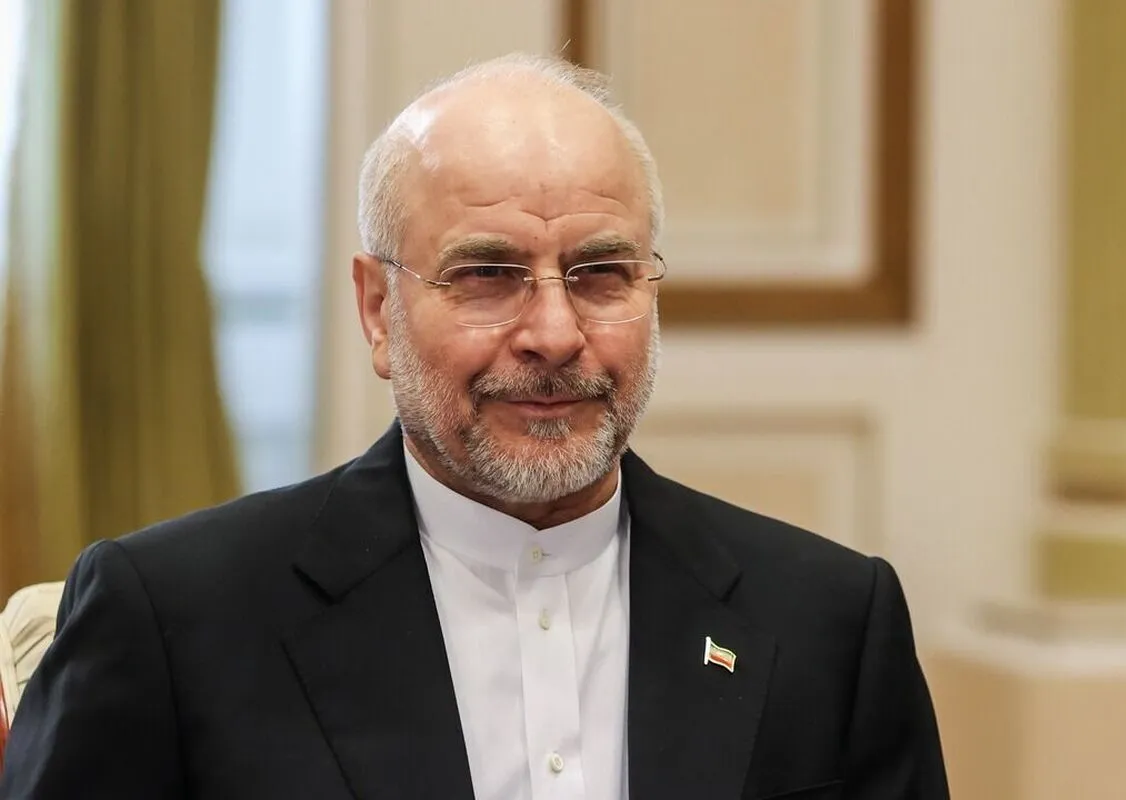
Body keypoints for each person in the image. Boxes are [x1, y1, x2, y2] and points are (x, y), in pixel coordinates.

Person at [0, 53, 948, 799]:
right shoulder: (174, 620)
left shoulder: (829, 623)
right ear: (378, 310)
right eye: (487, 275)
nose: (554, 333)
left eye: (601, 274)